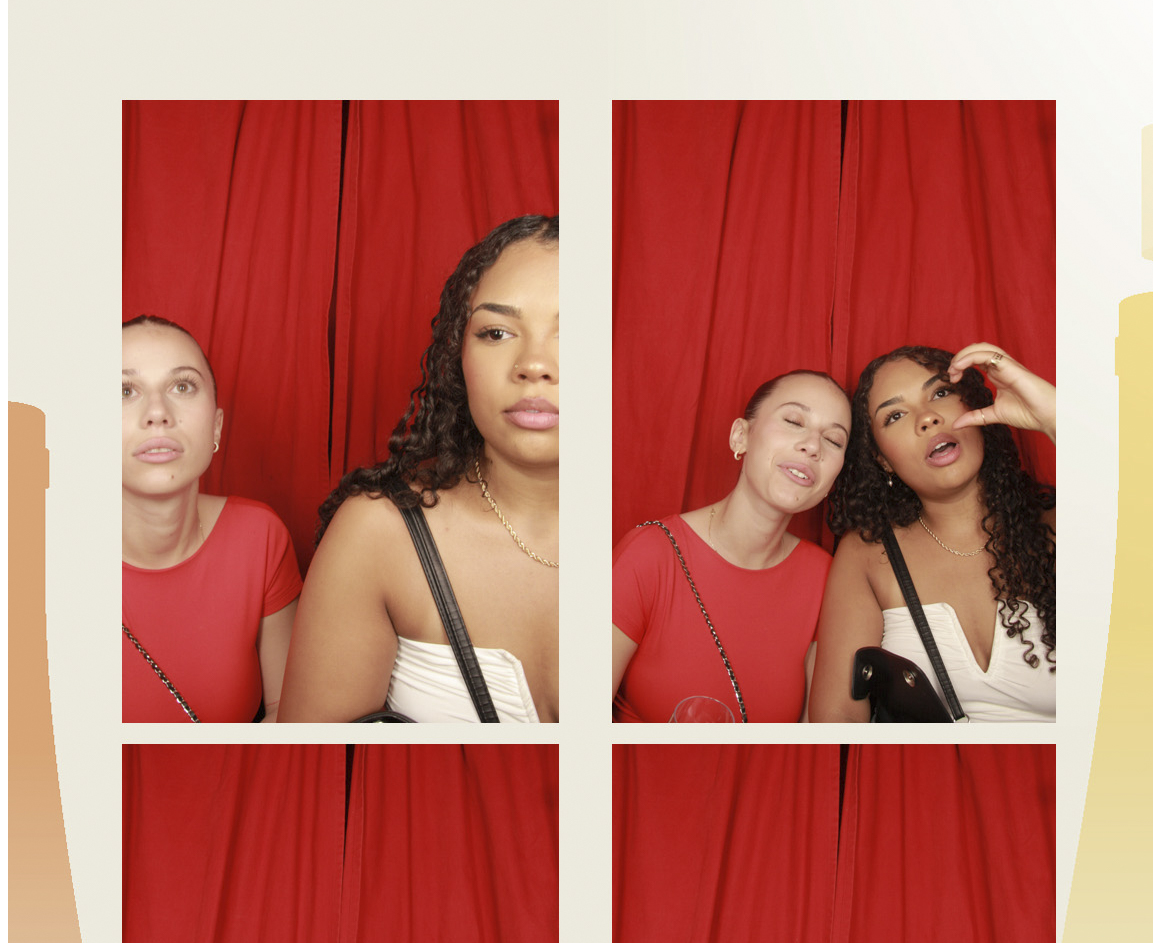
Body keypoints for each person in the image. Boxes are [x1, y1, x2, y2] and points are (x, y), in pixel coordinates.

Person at [279, 216, 559, 723]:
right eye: (496, 332)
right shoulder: (379, 533)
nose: (533, 364)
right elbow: (313, 759)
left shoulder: (653, 549)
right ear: (459, 357)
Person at [810, 342, 1056, 722]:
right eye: (894, 415)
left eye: (940, 393)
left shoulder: (1060, 525)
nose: (926, 418)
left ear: (975, 407)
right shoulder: (868, 553)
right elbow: (837, 721)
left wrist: (1054, 417)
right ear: (882, 459)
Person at [612, 372, 849, 723]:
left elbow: (809, 742)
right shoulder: (650, 555)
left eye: (833, 440)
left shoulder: (826, 578)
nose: (813, 446)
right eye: (794, 421)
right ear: (741, 436)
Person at [122, 316, 302, 722]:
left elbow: (288, 714)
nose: (157, 413)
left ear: (217, 427)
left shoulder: (260, 538)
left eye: (182, 386)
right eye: (124, 390)